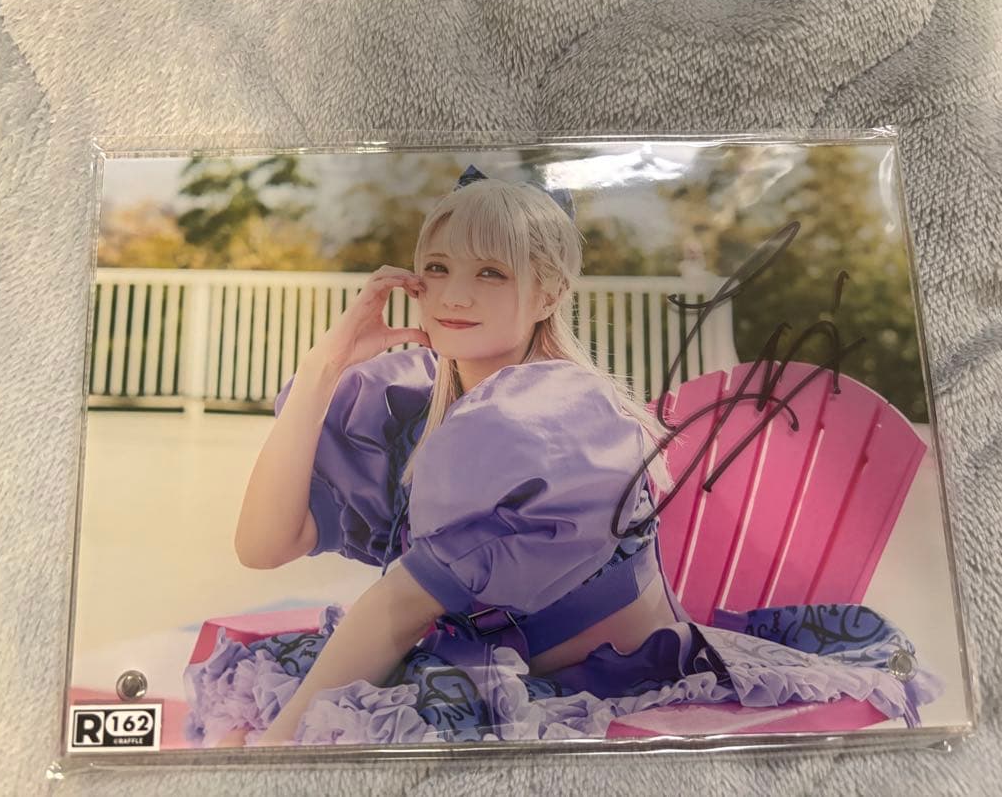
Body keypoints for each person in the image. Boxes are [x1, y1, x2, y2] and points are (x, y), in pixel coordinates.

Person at [187, 166, 939, 748]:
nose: (454, 295)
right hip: (477, 666)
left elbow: (396, 609)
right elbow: (264, 545)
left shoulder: (554, 417)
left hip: (602, 689)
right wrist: (324, 370)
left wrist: (281, 752)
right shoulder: (414, 405)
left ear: (548, 293)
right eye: (438, 268)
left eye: (491, 273)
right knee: (244, 714)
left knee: (291, 736)